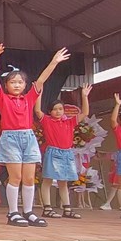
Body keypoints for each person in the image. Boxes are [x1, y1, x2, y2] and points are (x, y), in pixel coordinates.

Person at [0, 42, 70, 228]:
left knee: (29, 178)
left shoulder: (29, 98)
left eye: (20, 82)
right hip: (11, 138)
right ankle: (13, 212)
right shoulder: (2, 98)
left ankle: (28, 212)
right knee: (15, 177)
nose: (16, 84)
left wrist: (54, 62)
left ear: (25, 85)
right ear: (6, 85)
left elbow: (41, 80)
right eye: (12, 82)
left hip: (28, 138)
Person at [35, 84, 93, 220]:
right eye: (55, 109)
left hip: (67, 153)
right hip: (53, 152)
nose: (58, 112)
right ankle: (47, 208)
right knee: (48, 180)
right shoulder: (47, 121)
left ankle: (67, 208)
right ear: (50, 112)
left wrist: (84, 96)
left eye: (60, 109)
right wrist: (39, 95)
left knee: (63, 181)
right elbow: (37, 110)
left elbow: (85, 113)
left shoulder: (70, 122)